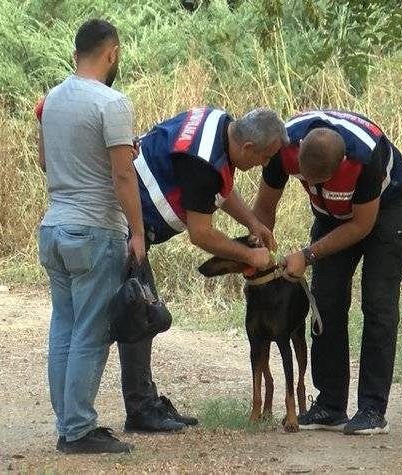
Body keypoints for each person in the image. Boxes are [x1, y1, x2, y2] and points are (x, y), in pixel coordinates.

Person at [119, 106, 287, 432]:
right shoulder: (203, 162)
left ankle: (143, 403)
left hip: (131, 227)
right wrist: (250, 257)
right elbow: (202, 233)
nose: (264, 165)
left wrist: (252, 221)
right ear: (248, 148)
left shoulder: (219, 124)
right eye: (265, 158)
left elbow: (221, 188)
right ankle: (138, 410)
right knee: (140, 313)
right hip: (122, 229)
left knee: (139, 314)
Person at [253, 110, 402, 435]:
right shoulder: (282, 145)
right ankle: (330, 404)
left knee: (378, 304)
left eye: (318, 181)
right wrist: (260, 250)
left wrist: (308, 254)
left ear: (340, 166)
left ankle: (371, 409)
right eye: (304, 178)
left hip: (385, 211)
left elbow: (361, 226)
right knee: (324, 301)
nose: (309, 185)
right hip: (330, 213)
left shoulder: (365, 157)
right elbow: (265, 206)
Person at [35, 19, 143, 454]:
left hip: (54, 227)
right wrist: (137, 231)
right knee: (91, 331)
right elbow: (122, 174)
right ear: (112, 52)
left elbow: (46, 162)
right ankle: (78, 429)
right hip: (95, 229)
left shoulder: (52, 100)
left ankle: (68, 423)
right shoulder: (113, 103)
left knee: (63, 325)